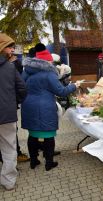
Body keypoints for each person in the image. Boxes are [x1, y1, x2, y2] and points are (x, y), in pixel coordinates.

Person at [21, 43, 79, 171]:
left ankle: (34, 161)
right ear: (48, 60)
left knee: (32, 134)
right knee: (48, 135)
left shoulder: (26, 71)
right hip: (44, 107)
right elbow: (61, 91)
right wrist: (74, 86)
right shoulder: (49, 73)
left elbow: (20, 87)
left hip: (29, 106)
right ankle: (49, 163)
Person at [0, 33, 27, 190]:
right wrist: (14, 102)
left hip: (7, 114)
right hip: (7, 115)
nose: (12, 50)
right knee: (9, 148)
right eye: (10, 47)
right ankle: (8, 182)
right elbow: (22, 89)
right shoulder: (10, 68)